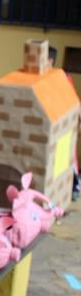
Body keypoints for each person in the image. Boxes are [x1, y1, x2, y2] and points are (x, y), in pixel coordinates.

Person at [50, 46, 80, 201]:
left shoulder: (62, 77)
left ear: (50, 61)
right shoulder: (42, 78)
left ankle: (74, 186)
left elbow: (75, 101)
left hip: (64, 125)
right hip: (52, 125)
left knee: (66, 157)